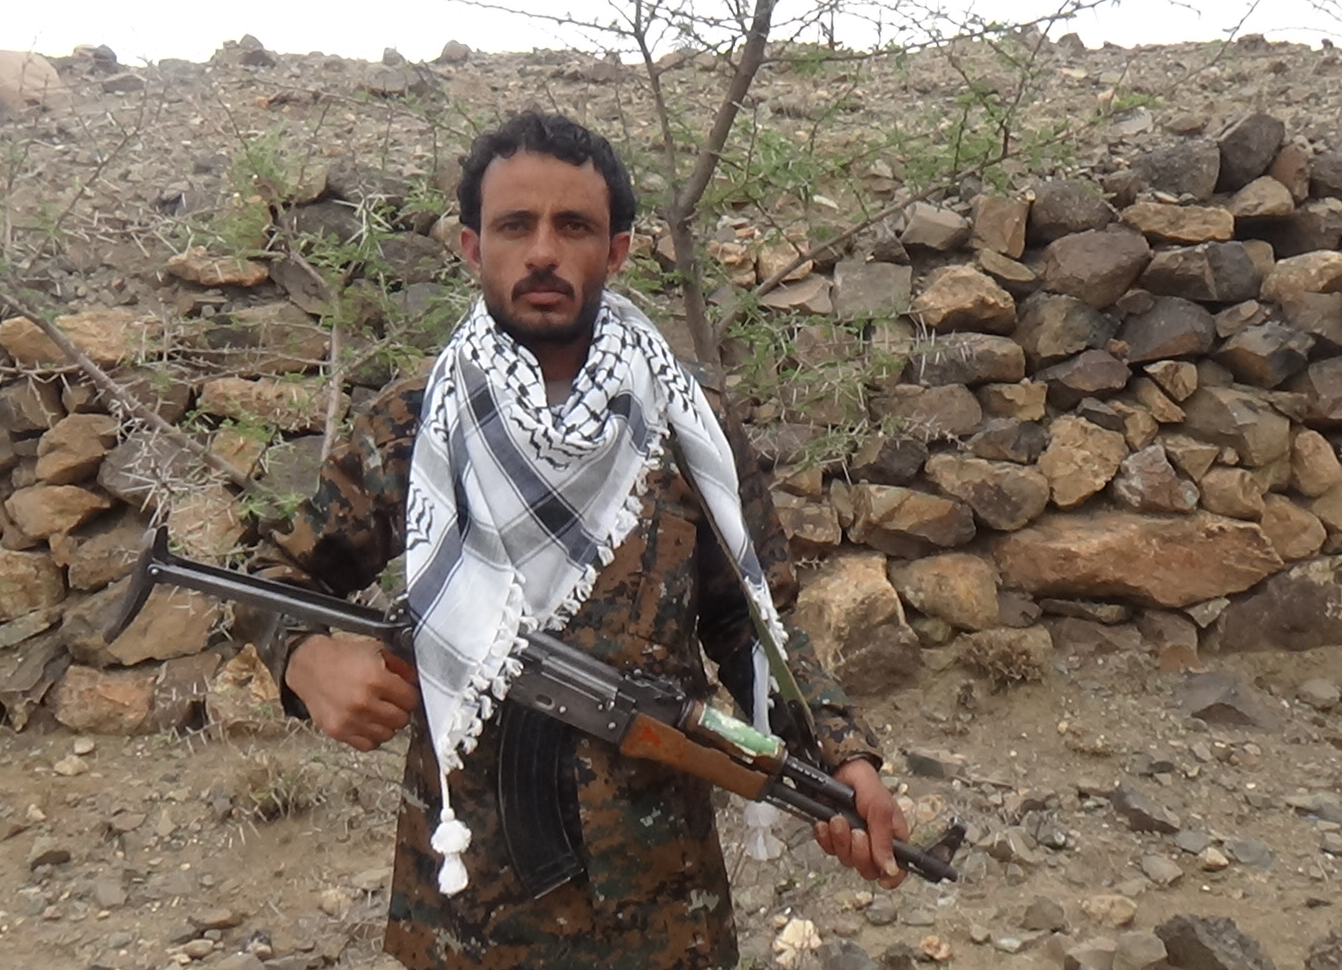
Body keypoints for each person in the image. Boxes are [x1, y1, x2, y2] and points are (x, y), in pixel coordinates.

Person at [267, 111, 904, 970]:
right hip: (469, 918)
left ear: (616, 252)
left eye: (573, 226)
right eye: (514, 226)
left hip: (662, 903)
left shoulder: (686, 421)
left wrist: (841, 758)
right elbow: (270, 572)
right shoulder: (416, 425)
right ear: (471, 247)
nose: (542, 252)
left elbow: (753, 625)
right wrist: (304, 659)